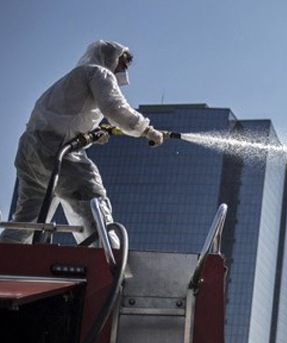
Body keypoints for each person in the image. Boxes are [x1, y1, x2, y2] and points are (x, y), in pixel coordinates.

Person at [0, 40, 165, 247]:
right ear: (110, 59)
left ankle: (7, 258)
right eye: (121, 66)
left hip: (30, 149)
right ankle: (109, 261)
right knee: (91, 196)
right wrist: (145, 129)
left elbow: (66, 118)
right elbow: (115, 109)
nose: (122, 73)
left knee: (28, 219)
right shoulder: (99, 72)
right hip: (55, 149)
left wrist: (93, 133)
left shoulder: (71, 80)